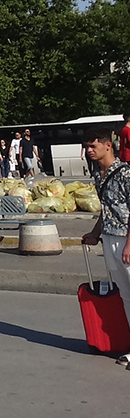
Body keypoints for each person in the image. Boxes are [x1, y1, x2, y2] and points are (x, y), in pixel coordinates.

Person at [80, 126, 130, 366]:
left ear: (107, 145)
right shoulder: (98, 175)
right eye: (87, 147)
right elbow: (106, 209)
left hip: (125, 239)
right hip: (109, 238)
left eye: (93, 146)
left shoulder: (125, 173)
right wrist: (94, 233)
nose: (89, 150)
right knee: (125, 295)